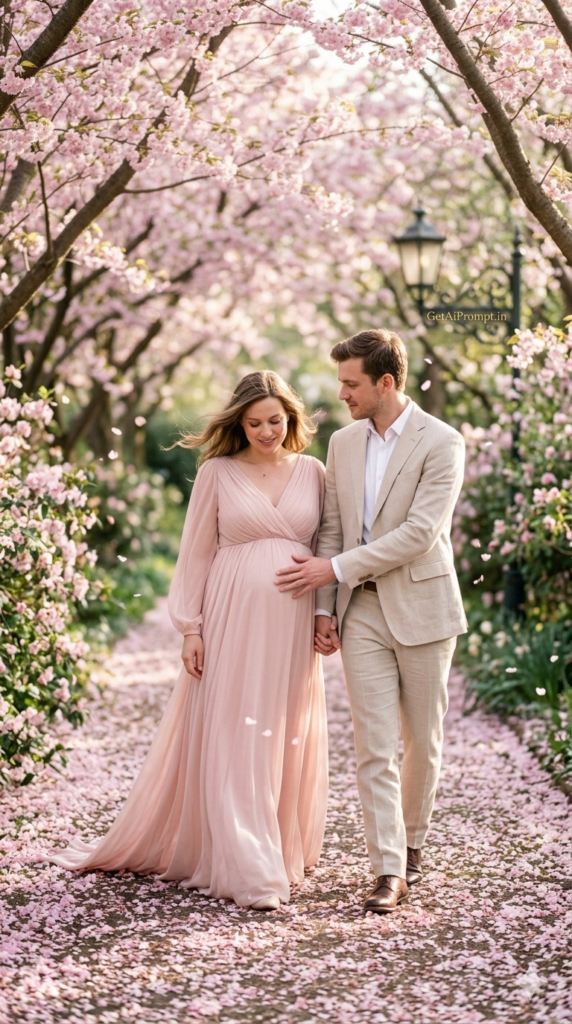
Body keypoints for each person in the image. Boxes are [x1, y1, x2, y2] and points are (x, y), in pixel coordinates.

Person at [50, 371, 328, 912]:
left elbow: (325, 546)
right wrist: (190, 629)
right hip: (229, 619)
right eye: (254, 422)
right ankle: (248, 864)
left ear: (291, 418)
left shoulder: (315, 473)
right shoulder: (217, 473)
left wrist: (324, 613)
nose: (266, 431)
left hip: (291, 625)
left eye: (275, 420)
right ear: (238, 423)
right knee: (234, 729)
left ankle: (273, 843)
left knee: (281, 730)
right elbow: (196, 554)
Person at [276, 329, 467, 914]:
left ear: (386, 382)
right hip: (360, 614)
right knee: (373, 744)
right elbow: (332, 527)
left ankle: (412, 844)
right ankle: (388, 867)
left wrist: (333, 566)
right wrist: (326, 607)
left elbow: (420, 534)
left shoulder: (444, 442)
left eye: (351, 383)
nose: (342, 394)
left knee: (421, 742)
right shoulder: (342, 443)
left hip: (425, 609)